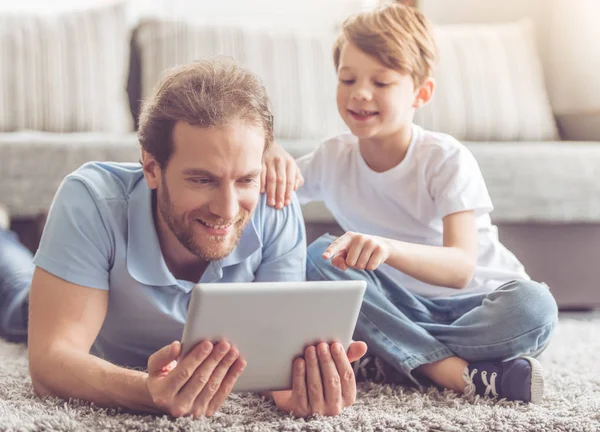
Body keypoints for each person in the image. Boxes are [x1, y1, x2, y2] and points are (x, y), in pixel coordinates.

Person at [0, 58, 368, 418]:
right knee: (18, 292)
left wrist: (295, 388)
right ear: (151, 168)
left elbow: (276, 359)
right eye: (202, 180)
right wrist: (147, 391)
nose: (226, 210)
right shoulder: (91, 199)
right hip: (81, 310)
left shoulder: (274, 207)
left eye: (245, 179)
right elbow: (50, 364)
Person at [261, 2, 558, 404]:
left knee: (535, 305)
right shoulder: (333, 158)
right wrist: (269, 149)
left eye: (381, 83)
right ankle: (455, 373)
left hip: (474, 309)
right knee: (320, 257)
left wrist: (388, 249)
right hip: (393, 306)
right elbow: (263, 189)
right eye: (347, 79)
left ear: (421, 93)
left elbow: (459, 268)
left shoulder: (445, 159)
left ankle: (392, 358)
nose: (360, 93)